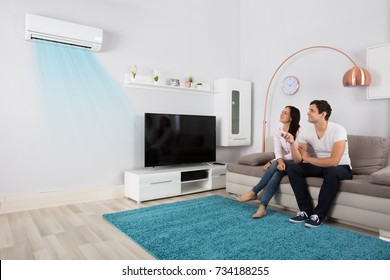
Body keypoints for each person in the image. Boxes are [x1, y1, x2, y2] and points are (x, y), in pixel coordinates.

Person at [284, 100, 353, 228]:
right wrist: (292, 144)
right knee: (293, 168)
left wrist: (308, 159)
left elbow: (334, 161)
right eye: (309, 110)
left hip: (341, 167)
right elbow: (298, 160)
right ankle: (305, 211)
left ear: (323, 114)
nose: (308, 113)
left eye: (312, 110)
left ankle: (318, 215)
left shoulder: (338, 130)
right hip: (320, 166)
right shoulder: (306, 132)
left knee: (331, 171)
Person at [237, 106, 300, 218]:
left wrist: (275, 161)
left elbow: (297, 154)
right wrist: (279, 160)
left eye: (285, 113)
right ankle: (262, 208)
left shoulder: (300, 131)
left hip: (299, 161)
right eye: (282, 111)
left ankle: (254, 192)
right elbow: (277, 151)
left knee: (276, 164)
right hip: (287, 162)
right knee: (276, 174)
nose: (281, 114)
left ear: (291, 117)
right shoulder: (278, 132)